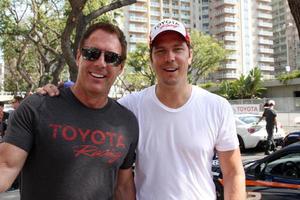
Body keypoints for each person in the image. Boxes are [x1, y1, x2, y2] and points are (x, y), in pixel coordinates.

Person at [39, 19, 246, 200]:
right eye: (160, 51)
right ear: (151, 59)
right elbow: (90, 110)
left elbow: (233, 173)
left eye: (178, 49)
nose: (170, 57)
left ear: (190, 55)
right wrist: (56, 95)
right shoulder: (130, 107)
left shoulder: (217, 107)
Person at [0, 22, 139, 200]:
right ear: (79, 56)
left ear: (121, 67)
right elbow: (5, 166)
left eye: (111, 57)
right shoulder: (37, 107)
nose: (101, 63)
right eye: (92, 54)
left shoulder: (127, 122)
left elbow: (123, 186)